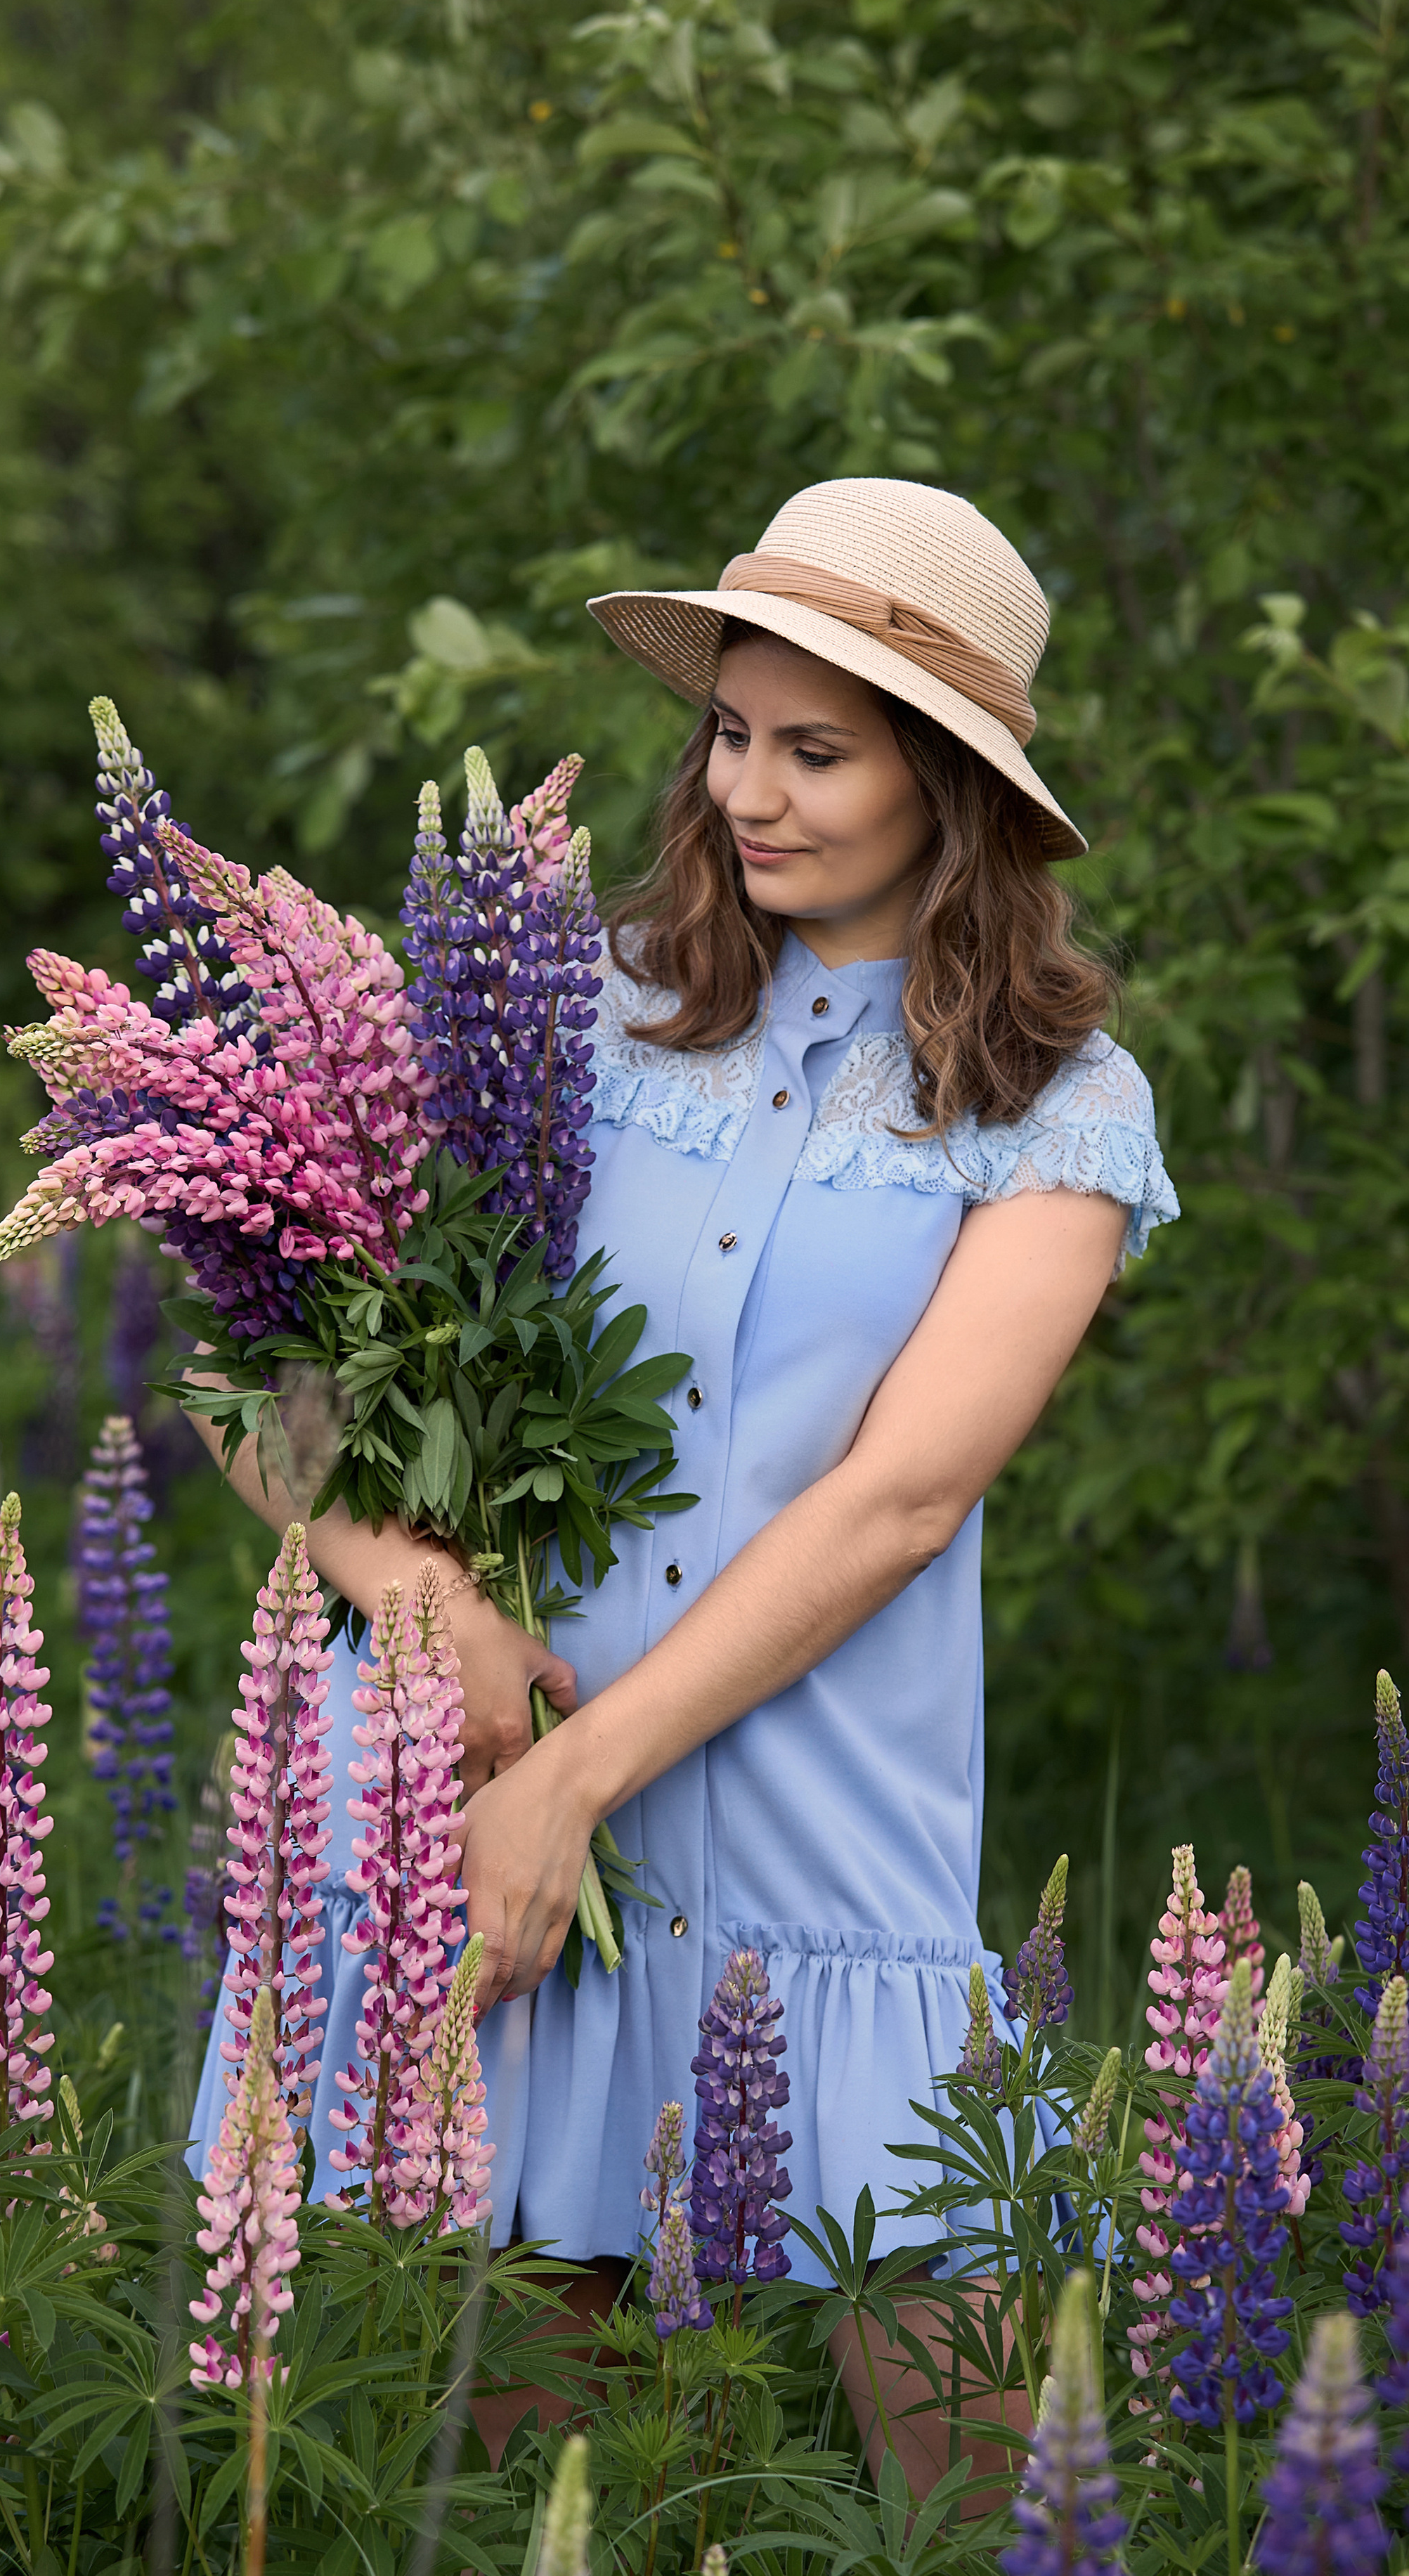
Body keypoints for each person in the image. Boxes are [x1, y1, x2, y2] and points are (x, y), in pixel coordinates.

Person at [186, 476, 1177, 2485]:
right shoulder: (561, 1008)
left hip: (820, 1840)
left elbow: (901, 1504)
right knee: (544, 2485)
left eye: (818, 750)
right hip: (477, 1817)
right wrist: (428, 1604)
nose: (750, 792)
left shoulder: (1055, 1101)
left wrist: (577, 1778)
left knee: (987, 2474)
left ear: (950, 789)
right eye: (731, 733)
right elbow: (257, 1380)